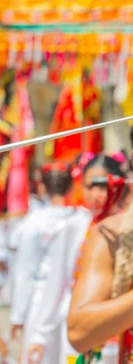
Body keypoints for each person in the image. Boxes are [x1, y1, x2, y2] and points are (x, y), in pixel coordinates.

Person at [10, 162, 94, 364]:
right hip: (74, 303)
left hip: (40, 305)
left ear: (43, 188)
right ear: (72, 187)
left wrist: (18, 317)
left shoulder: (33, 222)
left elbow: (25, 272)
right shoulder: (84, 218)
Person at [67, 152, 133, 362]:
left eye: (103, 186)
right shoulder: (101, 231)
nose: (96, 194)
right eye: (90, 186)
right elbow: (79, 330)